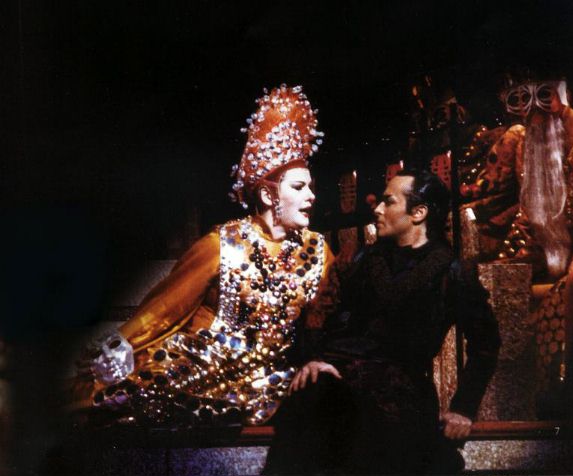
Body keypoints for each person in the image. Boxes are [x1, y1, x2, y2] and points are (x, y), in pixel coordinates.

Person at [66, 84, 339, 428]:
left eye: (310, 186)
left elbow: (322, 324)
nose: (312, 196)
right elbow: (164, 307)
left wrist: (316, 359)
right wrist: (121, 344)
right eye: (299, 187)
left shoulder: (318, 252)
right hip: (204, 365)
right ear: (268, 196)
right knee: (134, 395)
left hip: (270, 377)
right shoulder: (223, 244)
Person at [265, 169, 500, 475]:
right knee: (311, 401)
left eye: (388, 201)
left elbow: (486, 344)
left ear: (418, 213)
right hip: (337, 383)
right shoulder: (363, 260)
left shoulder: (450, 271)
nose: (377, 208)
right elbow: (323, 318)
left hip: (398, 395)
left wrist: (463, 409)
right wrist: (314, 359)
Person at [491, 72, 573, 418]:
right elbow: (530, 217)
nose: (535, 111)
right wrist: (506, 264)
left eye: (543, 97)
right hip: (556, 264)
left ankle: (569, 396)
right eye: (521, 100)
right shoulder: (528, 146)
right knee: (497, 287)